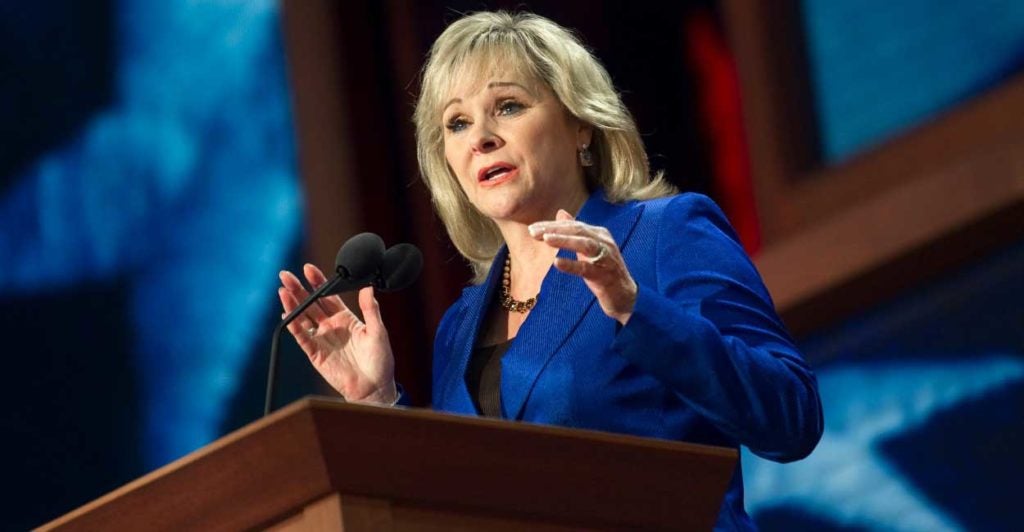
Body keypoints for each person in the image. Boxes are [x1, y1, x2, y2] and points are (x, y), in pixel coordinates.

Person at [277, 10, 822, 530]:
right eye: (458, 123)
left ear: (580, 124)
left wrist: (634, 307)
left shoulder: (665, 234)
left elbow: (791, 418)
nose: (481, 137)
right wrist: (379, 403)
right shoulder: (460, 329)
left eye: (508, 106)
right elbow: (454, 502)